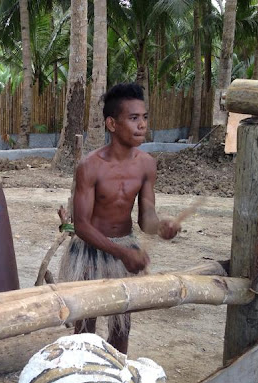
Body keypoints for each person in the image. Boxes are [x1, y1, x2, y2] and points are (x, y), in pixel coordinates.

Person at [58, 83, 179, 354]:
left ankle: (117, 382)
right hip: (89, 251)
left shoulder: (147, 164)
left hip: (125, 247)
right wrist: (121, 252)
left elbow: (145, 218)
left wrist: (162, 227)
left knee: (121, 328)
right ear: (112, 124)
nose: (142, 125)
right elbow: (81, 225)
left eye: (144, 117)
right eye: (133, 118)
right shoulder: (90, 166)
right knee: (85, 329)